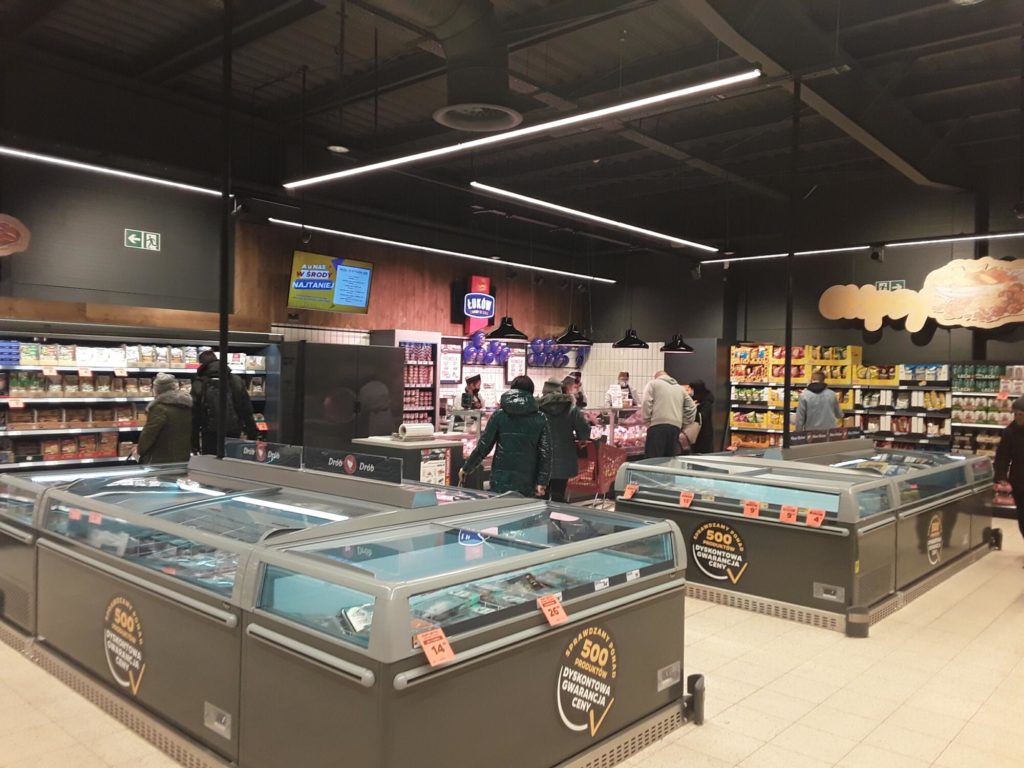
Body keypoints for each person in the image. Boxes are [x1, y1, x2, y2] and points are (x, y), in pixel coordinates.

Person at [459, 375, 551, 497]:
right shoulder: (541, 418)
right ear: (531, 393)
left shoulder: (499, 415)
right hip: (528, 480)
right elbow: (545, 453)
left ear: (512, 390)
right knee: (525, 509)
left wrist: (466, 468)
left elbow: (484, 446)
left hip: (500, 480)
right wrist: (542, 482)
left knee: (500, 508)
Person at [191, 349, 259, 455]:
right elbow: (247, 409)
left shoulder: (199, 383)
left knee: (210, 462)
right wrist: (252, 434)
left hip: (209, 432)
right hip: (233, 430)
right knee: (231, 460)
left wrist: (194, 443)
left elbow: (194, 415)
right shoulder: (236, 380)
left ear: (202, 364)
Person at [539, 377, 591, 502]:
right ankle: (557, 512)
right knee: (558, 495)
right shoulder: (571, 408)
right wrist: (582, 439)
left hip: (541, 459)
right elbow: (584, 430)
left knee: (541, 497)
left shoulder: (537, 408)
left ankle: (543, 513)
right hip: (564, 458)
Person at [136, 374, 193, 464]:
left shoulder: (159, 408)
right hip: (183, 456)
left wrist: (140, 450)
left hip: (161, 458)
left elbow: (149, 433)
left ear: (157, 390)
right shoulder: (186, 406)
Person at [642, 371, 693, 458]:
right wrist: (684, 422)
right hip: (675, 428)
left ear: (657, 377)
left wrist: (647, 420)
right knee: (669, 460)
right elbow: (692, 406)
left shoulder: (653, 384)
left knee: (653, 460)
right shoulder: (680, 388)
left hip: (657, 427)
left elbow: (646, 402)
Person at [994, 396, 1024, 546]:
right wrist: (1001, 476)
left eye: (1021, 414)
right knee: (1022, 515)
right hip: (1019, 479)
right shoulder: (1010, 432)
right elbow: (1002, 456)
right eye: (1015, 414)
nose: (1017, 417)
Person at [686, 379, 716, 454]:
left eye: (691, 389)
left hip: (704, 434)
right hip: (695, 433)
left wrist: (694, 409)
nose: (690, 391)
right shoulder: (694, 400)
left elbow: (702, 417)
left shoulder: (706, 402)